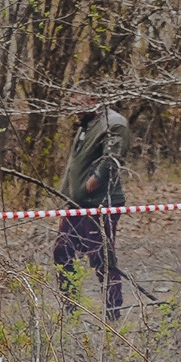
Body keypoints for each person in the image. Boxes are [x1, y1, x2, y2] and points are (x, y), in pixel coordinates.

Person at [54, 88, 129, 319]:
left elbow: (112, 160)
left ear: (93, 99)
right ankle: (70, 307)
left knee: (101, 257)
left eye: (78, 101)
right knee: (62, 251)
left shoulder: (114, 123)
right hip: (77, 205)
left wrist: (92, 183)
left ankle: (113, 311)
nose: (73, 107)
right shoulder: (86, 124)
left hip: (100, 204)